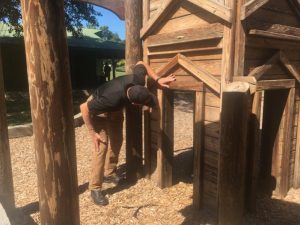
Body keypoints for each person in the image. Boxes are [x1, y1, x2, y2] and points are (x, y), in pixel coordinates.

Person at [80, 61, 176, 206]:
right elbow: (83, 108)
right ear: (135, 105)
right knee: (102, 147)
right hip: (96, 110)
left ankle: (109, 173)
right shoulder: (110, 100)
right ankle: (95, 188)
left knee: (117, 140)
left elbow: (141, 63)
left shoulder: (138, 80)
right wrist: (92, 132)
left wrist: (157, 79)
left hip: (116, 109)